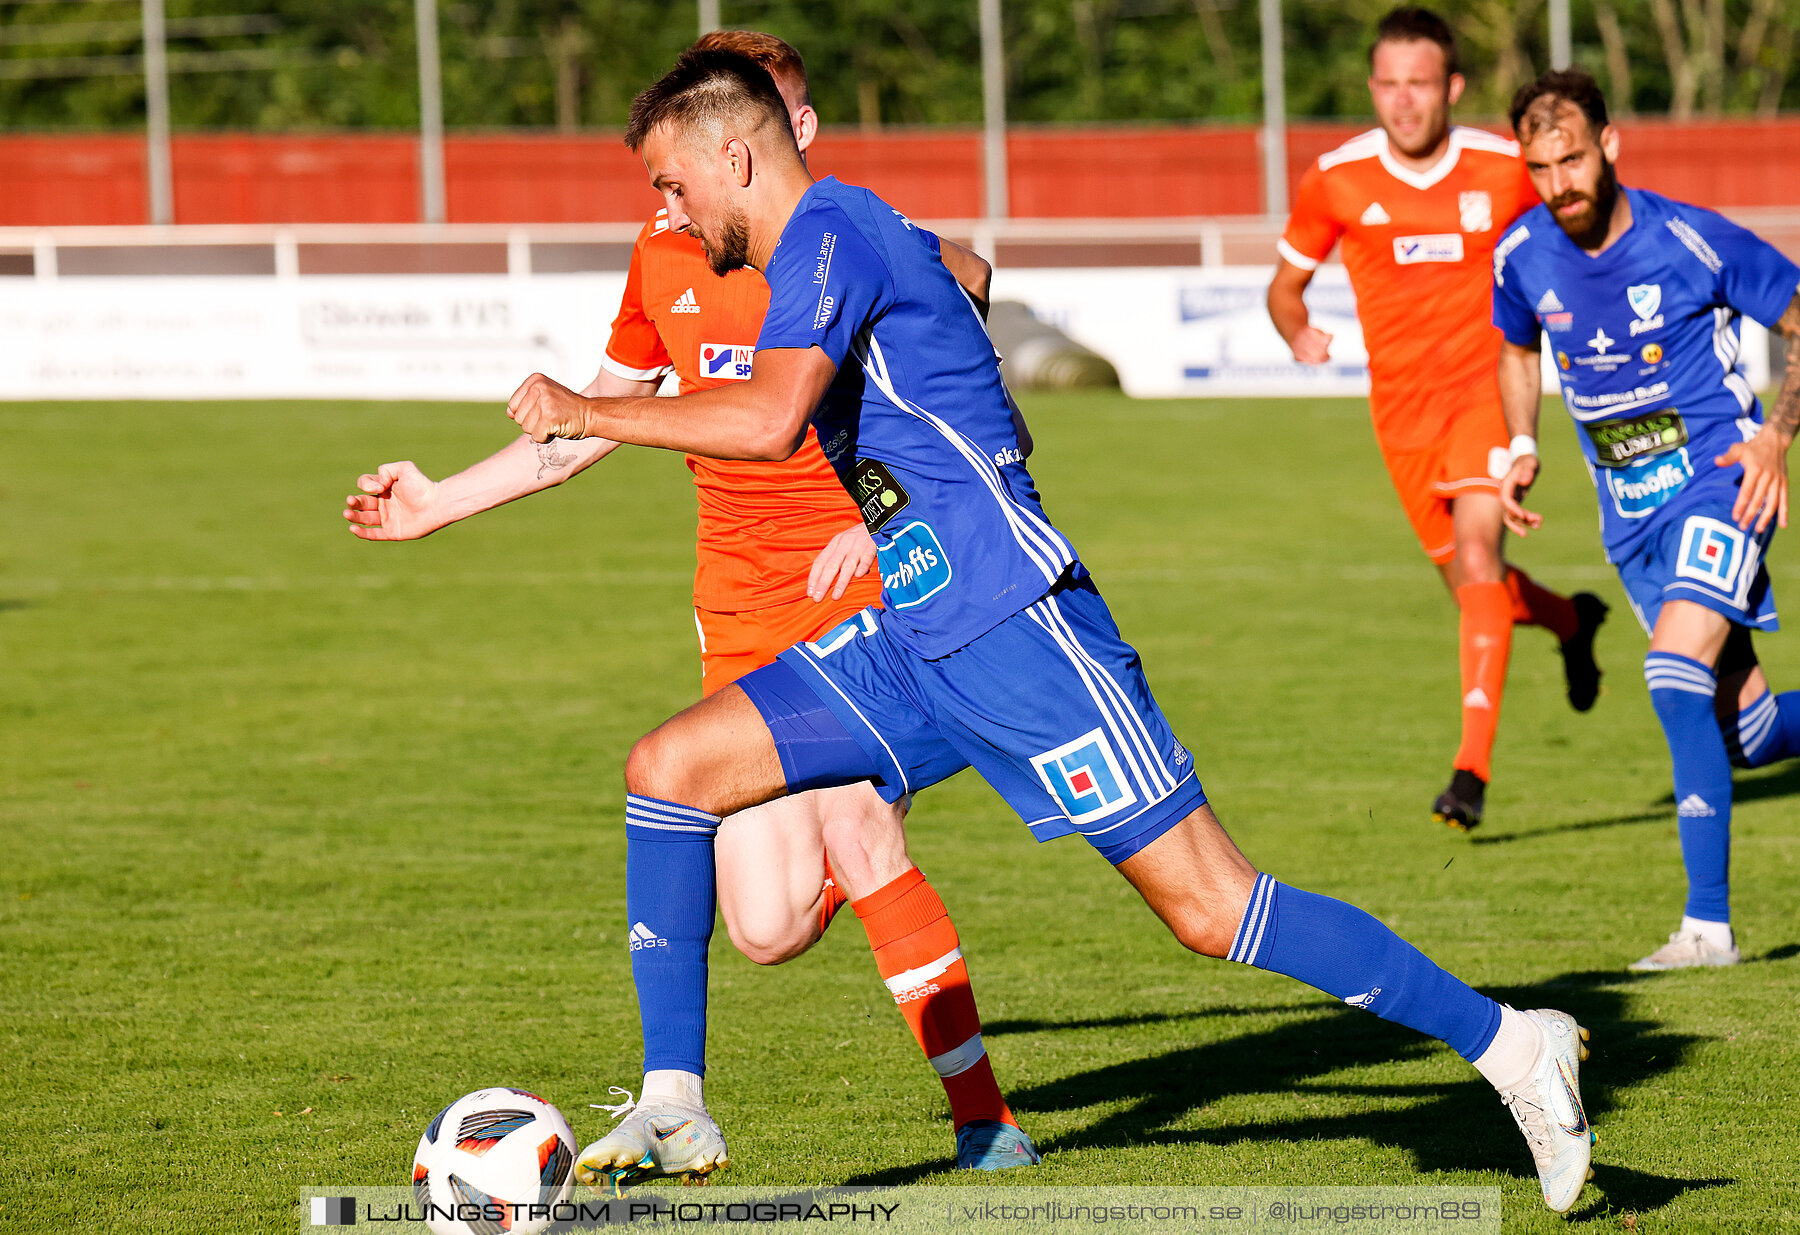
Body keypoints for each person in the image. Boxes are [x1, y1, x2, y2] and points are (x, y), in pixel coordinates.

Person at [507, 46, 1598, 1214]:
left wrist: (589, 410)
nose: (664, 208)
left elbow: (776, 418)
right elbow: (968, 327)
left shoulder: (828, 228)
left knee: (1212, 907)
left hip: (1021, 628)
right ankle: (674, 1101)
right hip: (911, 631)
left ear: (735, 154)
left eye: (673, 182)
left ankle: (1513, 1046)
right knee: (669, 771)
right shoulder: (837, 242)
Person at [343, 31, 1038, 1180]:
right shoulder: (665, 249)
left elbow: (968, 283)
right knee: (764, 926)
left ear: (780, 133)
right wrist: (435, 505)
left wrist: (879, 515)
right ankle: (861, 844)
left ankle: (985, 1119)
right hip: (739, 609)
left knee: (862, 828)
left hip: (864, 589)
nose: (676, 193)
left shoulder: (837, 233)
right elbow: (586, 426)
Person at [1267, 7, 1607, 831]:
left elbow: (1582, 218)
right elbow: (1284, 286)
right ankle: (1571, 618)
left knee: (1482, 552)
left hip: (1490, 393)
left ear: (1452, 86)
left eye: (1419, 83)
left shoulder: (1502, 166)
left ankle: (1470, 773)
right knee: (1472, 590)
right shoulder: (1336, 178)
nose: (1403, 101)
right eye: (1388, 83)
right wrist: (1296, 328)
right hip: (1401, 418)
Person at [1491, 68, 1800, 972]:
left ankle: (1707, 929)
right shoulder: (1520, 255)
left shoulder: (1690, 240)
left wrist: (1777, 436)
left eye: (1575, 158)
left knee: (1672, 670)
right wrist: (1520, 442)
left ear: (1611, 145)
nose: (1561, 183)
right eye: (1541, 166)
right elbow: (1516, 348)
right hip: (1628, 517)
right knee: (1744, 732)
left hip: (1720, 484)